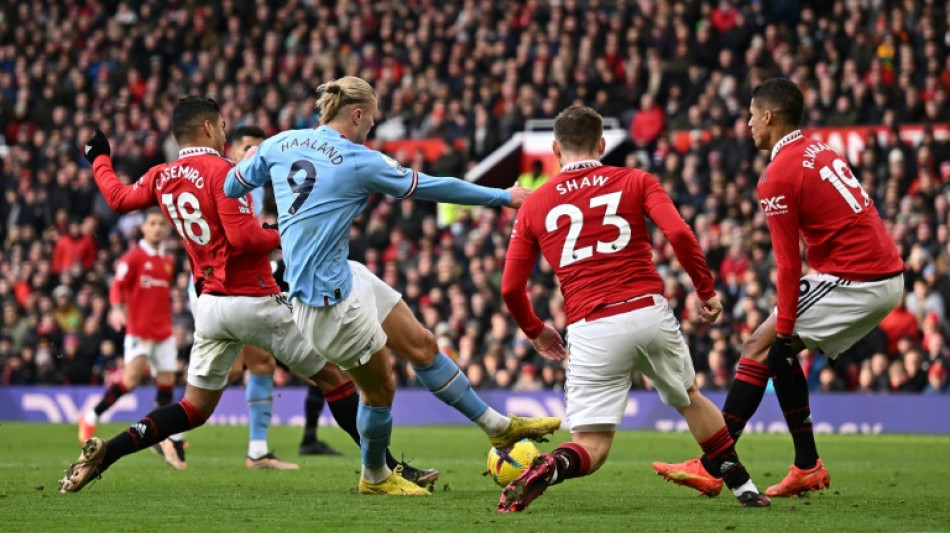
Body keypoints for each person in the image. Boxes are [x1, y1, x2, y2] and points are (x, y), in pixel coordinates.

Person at [59, 97, 436, 493]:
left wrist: (99, 157)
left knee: (193, 408)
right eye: (222, 125)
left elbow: (117, 198)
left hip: (210, 307)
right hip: (253, 300)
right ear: (207, 128)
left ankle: (109, 452)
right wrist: (285, 232)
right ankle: (386, 470)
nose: (225, 133)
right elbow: (244, 239)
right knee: (334, 379)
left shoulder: (162, 174)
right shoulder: (224, 172)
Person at [224, 76, 561, 496]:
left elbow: (231, 186)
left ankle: (496, 427)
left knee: (421, 344)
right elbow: (435, 187)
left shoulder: (279, 143)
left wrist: (255, 178)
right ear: (357, 114)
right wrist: (503, 196)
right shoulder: (358, 159)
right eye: (372, 121)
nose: (372, 130)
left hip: (344, 275)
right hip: (325, 304)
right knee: (380, 389)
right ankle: (375, 476)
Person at [495, 105, 770, 512]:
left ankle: (551, 467)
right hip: (647, 311)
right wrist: (705, 289)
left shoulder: (536, 204)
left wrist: (536, 330)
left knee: (592, 445)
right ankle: (744, 487)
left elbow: (510, 288)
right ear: (602, 145)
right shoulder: (635, 179)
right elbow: (677, 230)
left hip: (591, 326)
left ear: (555, 148)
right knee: (690, 398)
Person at [653, 78, 905, 498]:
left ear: (768, 117)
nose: (748, 123)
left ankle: (713, 464)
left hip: (858, 278)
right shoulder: (818, 149)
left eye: (752, 115)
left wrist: (784, 326)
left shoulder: (779, 174)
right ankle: (806, 465)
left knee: (759, 344)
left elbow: (789, 264)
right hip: (875, 272)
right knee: (776, 353)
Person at [77, 208, 187, 469]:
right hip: (139, 332)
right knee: (131, 380)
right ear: (144, 228)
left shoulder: (168, 261)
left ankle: (161, 437)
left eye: (162, 223)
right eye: (153, 223)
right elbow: (116, 286)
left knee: (167, 384)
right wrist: (116, 308)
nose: (158, 227)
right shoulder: (133, 257)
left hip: (164, 333)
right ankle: (92, 414)